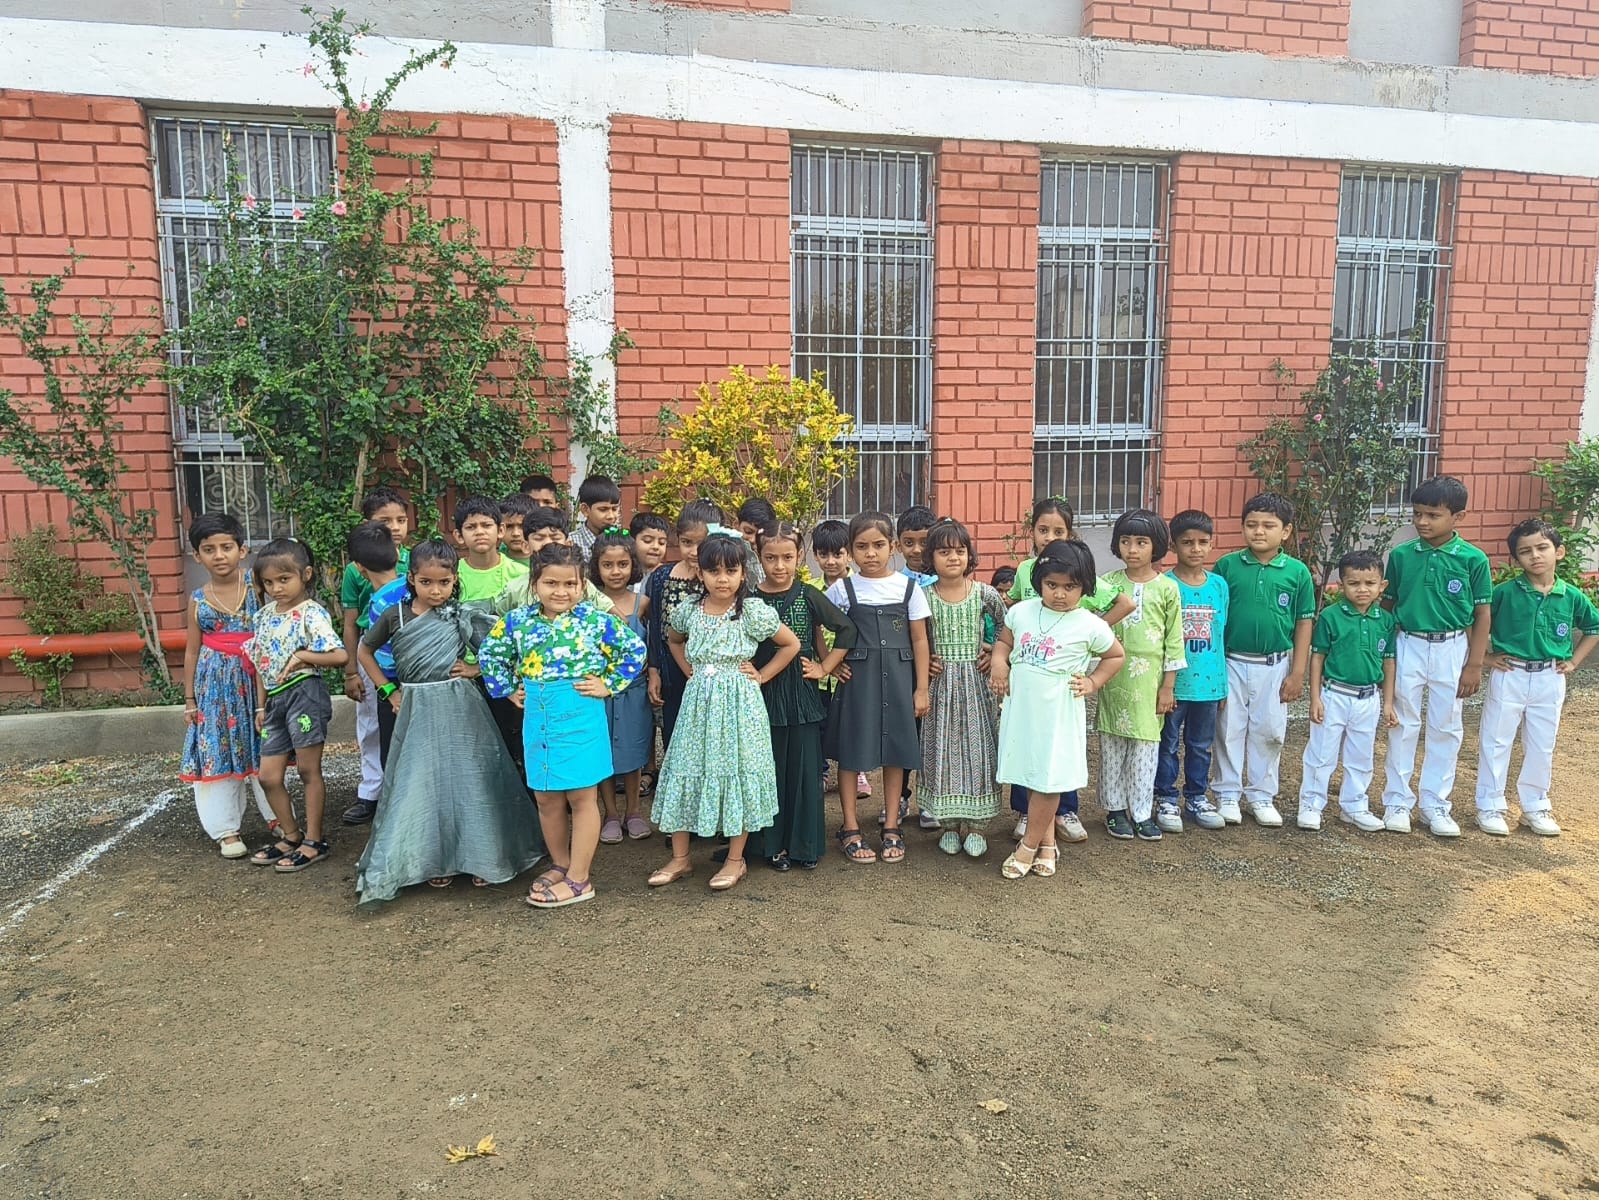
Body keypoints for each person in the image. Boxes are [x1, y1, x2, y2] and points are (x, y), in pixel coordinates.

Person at [354, 540, 546, 901]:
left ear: (455, 580)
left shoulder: (461, 615)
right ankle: (432, 860)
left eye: (444, 582)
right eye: (426, 582)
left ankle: (483, 857)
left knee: (471, 780)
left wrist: (474, 669)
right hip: (415, 707)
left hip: (461, 706)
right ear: (412, 579)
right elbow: (364, 650)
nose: (435, 590)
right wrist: (388, 691)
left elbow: (496, 650)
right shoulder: (394, 615)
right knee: (421, 782)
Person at [478, 544, 647, 909]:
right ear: (534, 584)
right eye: (551, 583)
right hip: (538, 718)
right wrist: (508, 689)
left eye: (570, 584)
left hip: (581, 714)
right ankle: (560, 863)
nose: (561, 591)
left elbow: (634, 650)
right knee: (546, 796)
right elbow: (490, 653)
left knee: (581, 796)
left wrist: (608, 683)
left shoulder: (594, 620)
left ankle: (580, 878)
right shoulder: (518, 622)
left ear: (582, 585)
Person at [649, 530, 801, 891]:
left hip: (740, 705)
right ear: (700, 573)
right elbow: (673, 639)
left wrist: (761, 675)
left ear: (742, 573)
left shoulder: (751, 611)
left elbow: (790, 644)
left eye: (730, 571)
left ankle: (735, 860)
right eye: (713, 571)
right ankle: (681, 858)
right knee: (686, 767)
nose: (722, 579)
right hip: (697, 706)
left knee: (737, 771)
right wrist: (689, 670)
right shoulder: (689, 610)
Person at [990, 540, 1125, 880]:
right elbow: (1004, 642)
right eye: (1052, 585)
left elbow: (1116, 655)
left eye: (1070, 586)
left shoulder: (1089, 624)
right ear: (1039, 582)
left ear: (1085, 586)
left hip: (1058, 713)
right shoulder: (1022, 612)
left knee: (1049, 781)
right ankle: (1048, 844)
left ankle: (1028, 846)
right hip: (1023, 709)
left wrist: (1093, 682)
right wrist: (999, 663)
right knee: (1033, 774)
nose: (1060, 594)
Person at [1003, 496, 1133, 842]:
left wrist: (1090, 632)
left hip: (1061, 687)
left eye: (1058, 531)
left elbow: (1124, 604)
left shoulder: (1078, 570)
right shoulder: (1026, 572)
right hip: (1029, 682)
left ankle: (1064, 810)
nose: (1049, 536)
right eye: (1042, 529)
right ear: (1031, 531)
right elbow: (1013, 611)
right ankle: (1026, 812)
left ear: (1070, 533)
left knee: (1060, 750)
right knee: (1026, 746)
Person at [1380, 476, 1493, 837]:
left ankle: (1435, 804)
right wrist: (1381, 653)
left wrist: (1474, 664)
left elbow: (1482, 614)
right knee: (1402, 722)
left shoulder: (1473, 559)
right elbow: (1387, 606)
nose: (1422, 521)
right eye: (1417, 513)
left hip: (1451, 647)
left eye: (1432, 515)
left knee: (1446, 725)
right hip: (1408, 642)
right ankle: (1397, 801)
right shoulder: (1401, 556)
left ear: (1458, 517)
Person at [1474, 520, 1599, 837]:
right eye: (1525, 551)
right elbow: (1477, 623)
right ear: (1516, 559)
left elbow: (1594, 627)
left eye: (1542, 548)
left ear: (1559, 552)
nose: (1535, 556)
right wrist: (1485, 657)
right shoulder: (1504, 593)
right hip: (1510, 673)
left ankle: (1535, 806)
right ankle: (1490, 806)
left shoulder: (1570, 596)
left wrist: (1574, 661)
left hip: (1550, 677)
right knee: (1496, 740)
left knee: (1542, 744)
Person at [824, 511, 931, 865]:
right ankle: (850, 827)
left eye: (879, 545)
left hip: (900, 683)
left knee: (895, 752)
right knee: (852, 752)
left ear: (893, 547)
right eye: (861, 547)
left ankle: (891, 825)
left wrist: (921, 689)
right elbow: (815, 624)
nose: (870, 553)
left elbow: (919, 640)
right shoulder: (842, 589)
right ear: (851, 550)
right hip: (858, 684)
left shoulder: (909, 589)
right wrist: (829, 663)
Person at [753, 523, 854, 870]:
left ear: (799, 556)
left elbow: (847, 629)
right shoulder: (749, 599)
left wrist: (826, 667)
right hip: (762, 693)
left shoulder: (808, 594)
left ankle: (805, 846)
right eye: (770, 558)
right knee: (768, 770)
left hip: (802, 692)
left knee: (805, 770)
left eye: (787, 557)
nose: (779, 566)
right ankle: (771, 845)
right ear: (759, 557)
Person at [1212, 493, 1316, 828]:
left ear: (1286, 531)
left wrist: (1297, 673)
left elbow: (1303, 622)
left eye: (1269, 525)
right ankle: (1227, 793)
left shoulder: (1297, 572)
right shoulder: (1227, 566)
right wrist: (1215, 668)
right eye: (1251, 524)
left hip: (1274, 666)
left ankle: (1261, 795)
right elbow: (1216, 619)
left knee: (1269, 731)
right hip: (1231, 661)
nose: (1259, 531)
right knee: (1228, 728)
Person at [244, 538, 348, 872]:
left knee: (307, 770)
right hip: (275, 700)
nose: (276, 588)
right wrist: (260, 707)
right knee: (268, 776)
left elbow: (340, 655)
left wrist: (303, 655)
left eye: (284, 579)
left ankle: (314, 841)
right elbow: (261, 664)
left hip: (305, 693)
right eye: (268, 582)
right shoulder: (262, 617)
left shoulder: (311, 614)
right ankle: (291, 835)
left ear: (306, 574)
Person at [180, 513, 274, 857]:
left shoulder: (258, 586)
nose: (219, 556)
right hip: (214, 688)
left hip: (256, 681)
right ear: (197, 556)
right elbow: (192, 650)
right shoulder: (198, 599)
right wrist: (190, 699)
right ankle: (226, 830)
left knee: (267, 745)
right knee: (217, 748)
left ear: (242, 550)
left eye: (226, 547)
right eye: (209, 549)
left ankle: (279, 816)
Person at [918, 518, 1006, 857]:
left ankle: (978, 826)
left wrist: (995, 654)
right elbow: (914, 638)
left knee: (979, 748)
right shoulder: (924, 597)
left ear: (970, 555)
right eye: (943, 552)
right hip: (940, 687)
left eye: (959, 551)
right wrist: (925, 662)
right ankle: (949, 825)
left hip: (976, 685)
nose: (953, 557)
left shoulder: (984, 593)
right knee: (941, 749)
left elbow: (1008, 627)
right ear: (931, 557)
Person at [1097, 510, 1186, 841]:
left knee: (1146, 746)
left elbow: (1174, 640)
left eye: (1141, 542)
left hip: (1150, 681)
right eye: (1125, 541)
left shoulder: (1168, 589)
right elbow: (1092, 624)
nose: (1132, 549)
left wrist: (1168, 687)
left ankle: (1141, 812)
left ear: (1157, 545)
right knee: (1112, 744)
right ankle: (1115, 810)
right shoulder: (1107, 584)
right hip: (1114, 677)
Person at [1296, 550, 1398, 832]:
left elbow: (1389, 663)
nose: (1362, 589)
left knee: (1361, 756)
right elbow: (1317, 657)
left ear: (1382, 586)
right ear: (1341, 585)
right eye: (1354, 583)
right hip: (1335, 695)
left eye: (1370, 583)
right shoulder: (1331, 616)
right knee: (1321, 753)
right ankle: (1311, 804)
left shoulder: (1385, 620)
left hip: (1368, 698)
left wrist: (1387, 702)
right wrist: (1315, 697)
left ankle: (1354, 806)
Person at [338, 487, 411, 826]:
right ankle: (371, 792)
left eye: (401, 519)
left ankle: (399, 801)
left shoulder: (416, 562)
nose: (395, 527)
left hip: (403, 669)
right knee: (371, 726)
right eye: (385, 521)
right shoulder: (355, 573)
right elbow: (351, 622)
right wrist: (351, 670)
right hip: (376, 663)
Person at [1155, 510, 1229, 833]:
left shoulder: (1219, 586)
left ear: (1212, 543)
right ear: (1174, 545)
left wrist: (1223, 685)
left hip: (1209, 685)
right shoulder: (1165, 585)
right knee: (1168, 743)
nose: (1195, 549)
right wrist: (1164, 686)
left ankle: (1197, 796)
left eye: (1202, 542)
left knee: (1200, 745)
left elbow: (1221, 635)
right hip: (1176, 685)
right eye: (1187, 542)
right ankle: (1166, 797)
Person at [589, 529, 654, 843]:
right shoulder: (589, 605)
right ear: (596, 567)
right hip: (599, 693)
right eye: (608, 565)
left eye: (623, 564)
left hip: (634, 692)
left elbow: (654, 644)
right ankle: (610, 814)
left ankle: (634, 811)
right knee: (602, 753)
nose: (616, 571)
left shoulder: (643, 603)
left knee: (634, 751)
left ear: (633, 566)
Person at [643, 499, 722, 748]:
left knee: (710, 736)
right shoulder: (661, 577)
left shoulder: (721, 580)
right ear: (677, 539)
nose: (695, 551)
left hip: (712, 671)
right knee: (675, 733)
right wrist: (654, 672)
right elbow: (656, 628)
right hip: (671, 672)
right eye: (687, 542)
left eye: (702, 543)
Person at [811, 518, 870, 800]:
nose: (831, 561)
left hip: (852, 670)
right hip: (823, 673)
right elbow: (813, 630)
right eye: (824, 554)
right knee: (821, 723)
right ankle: (821, 771)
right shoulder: (811, 589)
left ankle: (857, 771)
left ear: (849, 554)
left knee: (853, 722)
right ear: (815, 555)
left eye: (838, 554)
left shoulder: (860, 587)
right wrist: (827, 664)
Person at [347, 522, 408, 773]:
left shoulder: (379, 604)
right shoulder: (413, 588)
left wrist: (389, 692)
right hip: (423, 681)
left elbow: (376, 657)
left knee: (393, 759)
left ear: (359, 567)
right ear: (397, 554)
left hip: (394, 688)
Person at [455, 496, 529, 604]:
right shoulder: (452, 575)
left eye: (486, 525)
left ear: (500, 530)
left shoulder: (522, 574)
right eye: (471, 527)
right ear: (459, 536)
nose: (479, 532)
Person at [571, 474, 623, 563]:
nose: (611, 516)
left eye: (614, 509)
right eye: (603, 509)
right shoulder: (570, 544)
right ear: (585, 510)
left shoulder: (624, 541)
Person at [736, 497, 776, 587]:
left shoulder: (774, 559)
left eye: (759, 535)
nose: (753, 540)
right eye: (748, 532)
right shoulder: (722, 553)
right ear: (736, 525)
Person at [498, 492, 539, 567]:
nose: (515, 533)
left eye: (522, 526)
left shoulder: (546, 561)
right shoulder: (495, 560)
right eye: (509, 526)